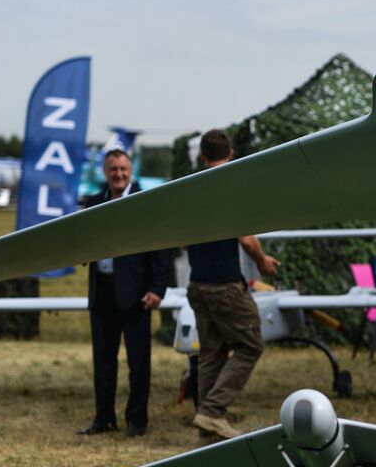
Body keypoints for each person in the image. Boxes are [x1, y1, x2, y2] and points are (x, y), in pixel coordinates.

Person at [186, 129, 280, 440]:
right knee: (250, 346)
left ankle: (206, 424)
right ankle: (212, 411)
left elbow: (184, 242)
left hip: (197, 284)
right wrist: (264, 261)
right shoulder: (232, 189)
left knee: (211, 353)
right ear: (231, 155)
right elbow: (247, 239)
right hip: (226, 286)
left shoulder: (189, 189)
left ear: (202, 156)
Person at [79, 149, 169, 438]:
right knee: (103, 362)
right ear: (105, 172)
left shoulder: (146, 202)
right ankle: (104, 418)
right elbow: (81, 241)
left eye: (123, 169)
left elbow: (161, 248)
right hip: (102, 291)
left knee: (138, 363)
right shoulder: (93, 203)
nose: (118, 174)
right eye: (113, 169)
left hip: (136, 294)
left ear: (131, 172)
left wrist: (157, 289)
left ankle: (137, 421)